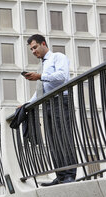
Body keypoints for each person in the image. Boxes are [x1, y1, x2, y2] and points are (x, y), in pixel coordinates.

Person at [23, 34, 76, 186]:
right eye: (31, 49)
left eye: (35, 47)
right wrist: (27, 103)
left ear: (43, 44)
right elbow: (42, 89)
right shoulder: (42, 66)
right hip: (47, 104)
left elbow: (62, 76)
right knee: (53, 140)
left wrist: (40, 76)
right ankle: (60, 176)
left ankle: (69, 175)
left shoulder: (57, 57)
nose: (33, 51)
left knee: (64, 137)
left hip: (61, 101)